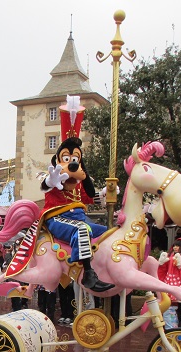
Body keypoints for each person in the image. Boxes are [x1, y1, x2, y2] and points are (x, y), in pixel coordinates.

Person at [39, 96, 113, 293]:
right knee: (81, 229)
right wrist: (50, 181)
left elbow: (87, 198)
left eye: (75, 158)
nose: (71, 163)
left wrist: (103, 195)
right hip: (57, 218)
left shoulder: (79, 184)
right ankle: (88, 274)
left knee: (108, 233)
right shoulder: (54, 176)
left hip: (80, 217)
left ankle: (106, 269)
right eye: (66, 158)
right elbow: (45, 186)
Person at [157, 238, 181, 327]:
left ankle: (180, 322)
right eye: (174, 245)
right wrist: (161, 263)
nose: (175, 247)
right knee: (168, 302)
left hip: (180, 282)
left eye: (178, 246)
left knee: (180, 302)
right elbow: (163, 270)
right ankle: (168, 323)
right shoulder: (170, 256)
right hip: (169, 281)